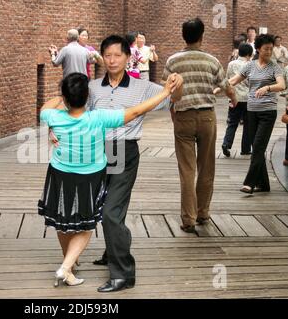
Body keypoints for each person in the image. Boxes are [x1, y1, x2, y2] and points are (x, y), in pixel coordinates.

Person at [39, 72, 178, 287]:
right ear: (87, 97)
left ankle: (70, 265)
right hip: (89, 178)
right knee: (86, 226)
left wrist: (61, 97)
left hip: (59, 176)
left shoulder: (53, 117)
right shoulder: (99, 117)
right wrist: (166, 92)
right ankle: (66, 267)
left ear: (66, 97)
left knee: (62, 220)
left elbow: (45, 108)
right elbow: (137, 110)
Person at [88, 35, 183, 292]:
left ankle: (123, 275)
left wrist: (177, 83)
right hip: (97, 151)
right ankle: (113, 250)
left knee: (111, 211)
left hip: (124, 151)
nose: (112, 60)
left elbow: (173, 97)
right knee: (103, 205)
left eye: (117, 55)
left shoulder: (143, 87)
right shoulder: (94, 87)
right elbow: (81, 113)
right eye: (107, 55)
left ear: (128, 58)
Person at [162, 18, 237, 233]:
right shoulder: (211, 60)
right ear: (202, 36)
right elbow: (226, 86)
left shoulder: (173, 61)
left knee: (187, 170)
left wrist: (172, 112)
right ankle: (203, 212)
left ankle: (188, 219)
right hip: (207, 118)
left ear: (183, 35)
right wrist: (233, 99)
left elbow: (167, 92)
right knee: (206, 167)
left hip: (183, 118)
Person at [230, 34, 286, 194]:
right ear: (259, 49)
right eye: (266, 49)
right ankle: (264, 184)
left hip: (268, 112)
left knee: (258, 147)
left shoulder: (275, 66)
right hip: (251, 111)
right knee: (257, 147)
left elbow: (281, 85)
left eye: (271, 49)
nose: (269, 52)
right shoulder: (250, 66)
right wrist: (219, 87)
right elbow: (234, 80)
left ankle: (249, 182)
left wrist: (267, 88)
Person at [221, 43, 254, 157]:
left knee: (232, 123)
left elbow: (228, 80)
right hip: (249, 99)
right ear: (249, 54)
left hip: (234, 98)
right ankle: (245, 149)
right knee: (248, 125)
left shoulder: (231, 64)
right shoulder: (251, 65)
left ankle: (226, 144)